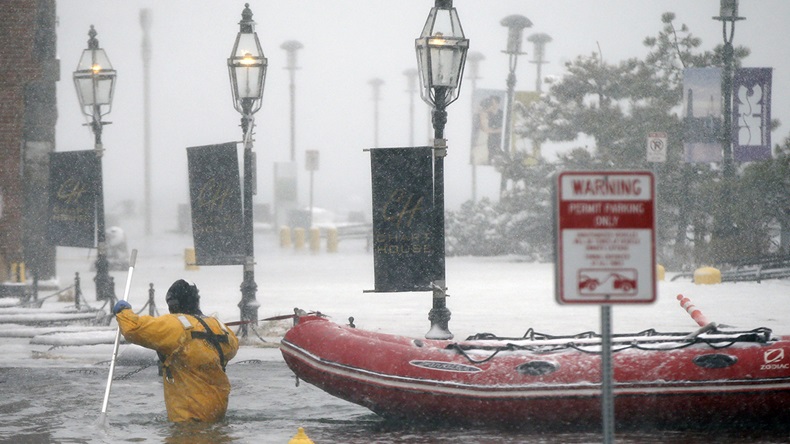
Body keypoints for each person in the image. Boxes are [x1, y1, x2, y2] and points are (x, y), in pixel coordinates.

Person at [113, 279, 239, 423]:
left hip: (188, 417)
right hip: (217, 414)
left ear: (174, 304)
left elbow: (134, 329)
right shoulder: (218, 326)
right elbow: (232, 348)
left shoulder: (176, 325)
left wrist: (123, 312)